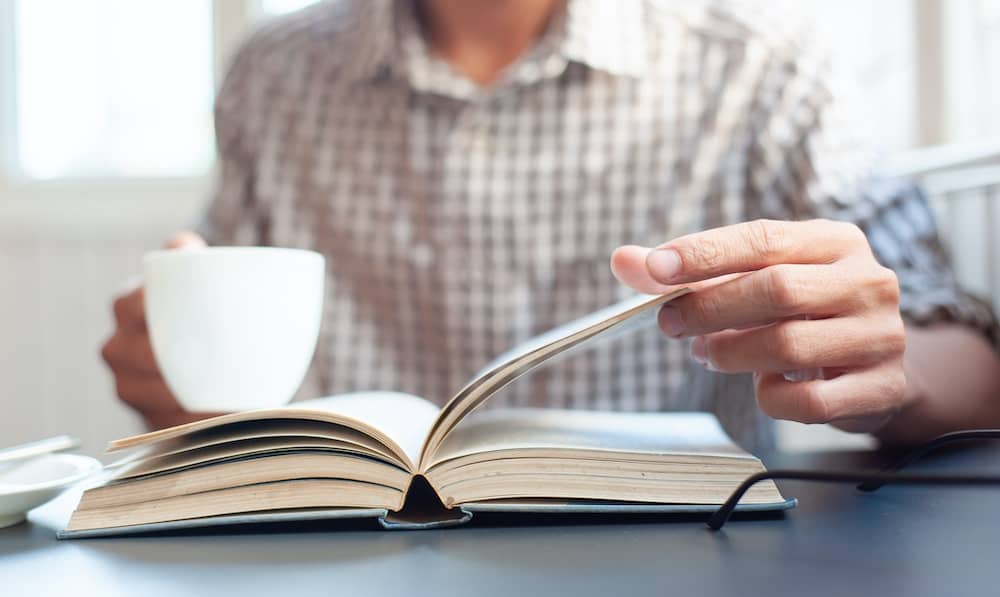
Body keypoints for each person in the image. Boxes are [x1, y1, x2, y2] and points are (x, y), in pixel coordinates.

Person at [101, 0, 1000, 450]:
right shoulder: (273, 77)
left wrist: (894, 369)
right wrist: (175, 380)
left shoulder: (765, 67)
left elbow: (967, 363)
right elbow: (216, 388)